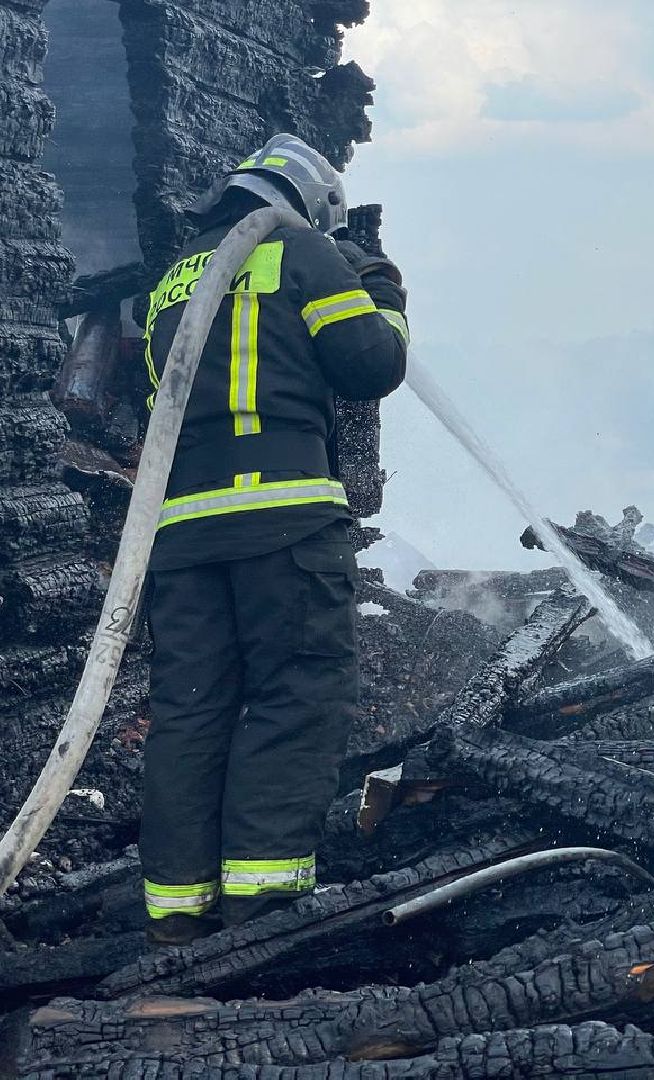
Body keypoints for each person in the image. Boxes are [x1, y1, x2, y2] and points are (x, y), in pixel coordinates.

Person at [138, 133, 409, 945]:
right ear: (311, 202)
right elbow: (371, 365)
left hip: (182, 531)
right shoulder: (301, 252)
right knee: (294, 693)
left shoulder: (171, 280)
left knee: (191, 708)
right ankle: (263, 901)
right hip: (283, 517)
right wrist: (383, 287)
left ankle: (177, 910)